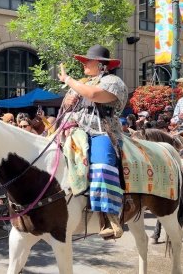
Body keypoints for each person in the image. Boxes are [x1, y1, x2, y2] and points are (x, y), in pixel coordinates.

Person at [58, 44, 127, 239]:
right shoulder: (82, 82)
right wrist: (67, 101)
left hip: (101, 131)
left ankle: (110, 216)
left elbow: (94, 95)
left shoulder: (114, 82)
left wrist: (68, 80)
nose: (84, 65)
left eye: (87, 61)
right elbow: (66, 105)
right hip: (75, 129)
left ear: (101, 64)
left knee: (102, 165)